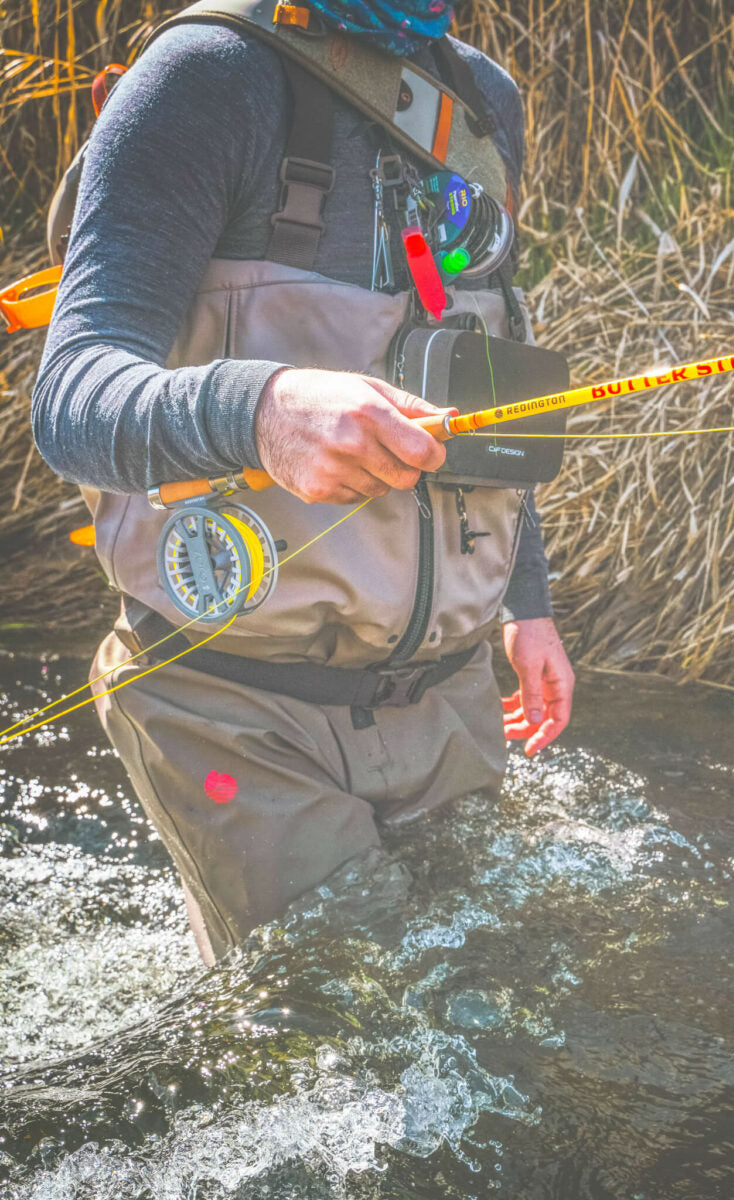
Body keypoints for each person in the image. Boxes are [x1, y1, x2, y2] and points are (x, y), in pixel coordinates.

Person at [31, 0, 575, 965]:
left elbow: (488, 371)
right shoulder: (204, 76)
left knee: (490, 998)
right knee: (337, 1024)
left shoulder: (483, 104)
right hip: (229, 709)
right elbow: (72, 399)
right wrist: (263, 410)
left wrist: (524, 603)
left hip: (447, 698)